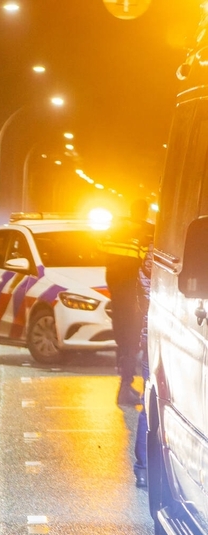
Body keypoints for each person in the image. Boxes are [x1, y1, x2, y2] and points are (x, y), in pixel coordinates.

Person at [100, 199, 154, 406]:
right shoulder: (146, 231)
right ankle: (125, 387)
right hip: (132, 290)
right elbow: (145, 261)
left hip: (116, 288)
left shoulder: (115, 228)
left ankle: (123, 378)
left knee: (122, 337)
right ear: (145, 211)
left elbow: (100, 249)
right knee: (133, 338)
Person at [133, 244, 152, 488]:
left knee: (149, 405)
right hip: (156, 342)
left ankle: (144, 469)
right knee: (149, 405)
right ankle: (144, 467)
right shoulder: (157, 258)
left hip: (153, 340)